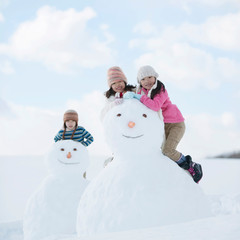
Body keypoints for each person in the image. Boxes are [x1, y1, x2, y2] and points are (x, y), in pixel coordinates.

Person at [124, 65, 202, 183]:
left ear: (155, 77)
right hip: (162, 126)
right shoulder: (139, 91)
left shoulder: (160, 90)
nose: (147, 81)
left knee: (168, 150)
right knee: (161, 152)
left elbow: (155, 106)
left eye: (150, 77)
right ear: (139, 81)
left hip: (176, 124)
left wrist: (139, 97)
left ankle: (191, 165)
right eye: (143, 79)